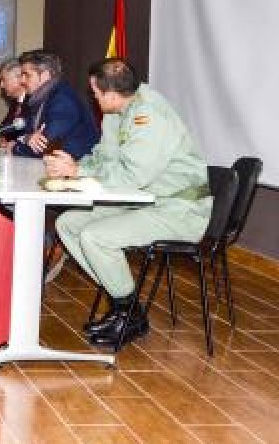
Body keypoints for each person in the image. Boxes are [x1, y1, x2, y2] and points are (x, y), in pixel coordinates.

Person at [47, 58, 214, 347]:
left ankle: (130, 313)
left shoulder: (149, 116)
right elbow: (104, 156)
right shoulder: (118, 110)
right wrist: (75, 163)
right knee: (68, 223)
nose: (94, 97)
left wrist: (78, 173)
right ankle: (121, 300)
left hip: (178, 209)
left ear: (112, 94)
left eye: (96, 93)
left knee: (96, 237)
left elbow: (132, 176)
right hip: (146, 200)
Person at [12, 49, 100, 160]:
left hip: (78, 169)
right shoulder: (38, 99)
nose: (22, 81)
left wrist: (16, 148)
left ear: (45, 75)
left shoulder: (64, 99)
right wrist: (27, 138)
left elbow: (46, 146)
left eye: (27, 75)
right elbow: (26, 134)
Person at [0, 57, 28, 147]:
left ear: (19, 78)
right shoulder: (15, 104)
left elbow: (26, 133)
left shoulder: (34, 102)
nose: (1, 85)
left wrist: (10, 141)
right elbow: (3, 129)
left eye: (3, 80)